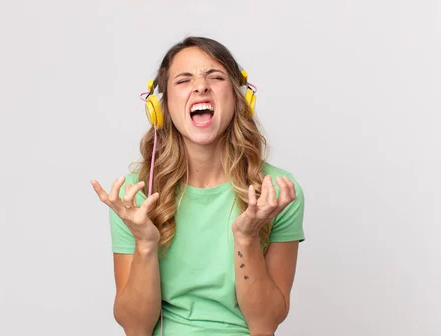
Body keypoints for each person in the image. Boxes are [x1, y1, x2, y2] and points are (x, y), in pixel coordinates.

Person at [90, 36, 305, 336]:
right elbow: (135, 328)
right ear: (159, 108)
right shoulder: (135, 196)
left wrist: (246, 238)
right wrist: (145, 243)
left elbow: (265, 324)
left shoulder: (275, 192)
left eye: (215, 77)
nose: (201, 86)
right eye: (184, 80)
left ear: (240, 99)